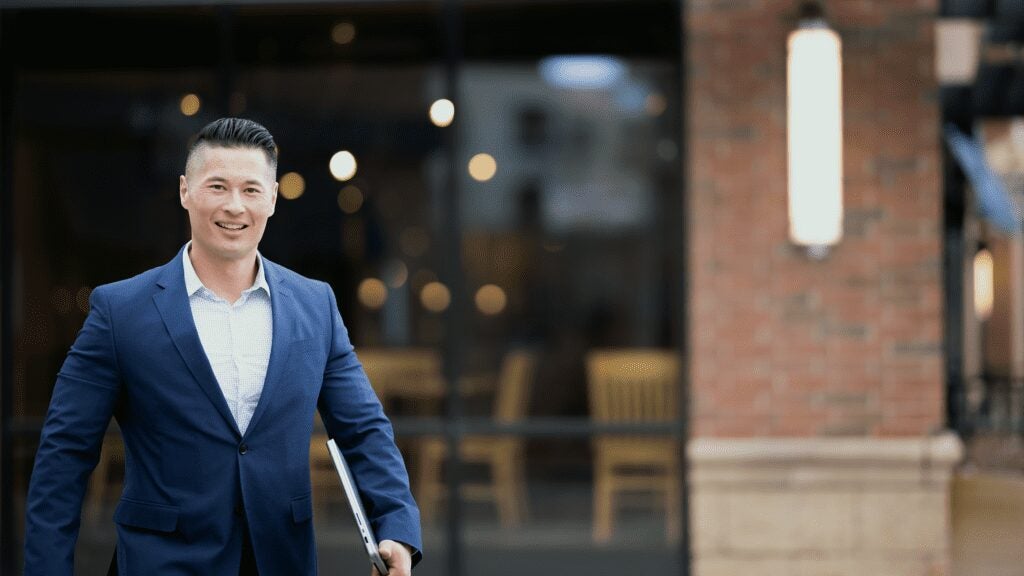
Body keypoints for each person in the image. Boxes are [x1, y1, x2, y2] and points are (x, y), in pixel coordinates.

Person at [23, 117, 421, 575]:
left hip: (281, 561)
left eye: (251, 190)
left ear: (272, 197)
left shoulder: (316, 305)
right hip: (162, 564)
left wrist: (397, 528)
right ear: (184, 192)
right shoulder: (119, 311)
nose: (235, 206)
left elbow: (364, 430)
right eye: (217, 186)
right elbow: (63, 456)